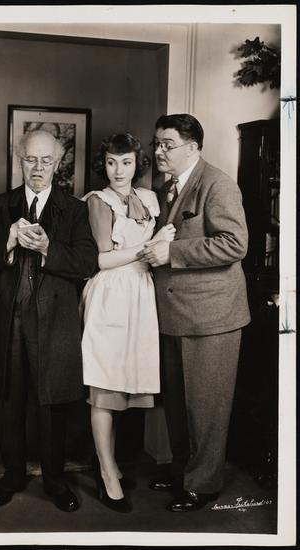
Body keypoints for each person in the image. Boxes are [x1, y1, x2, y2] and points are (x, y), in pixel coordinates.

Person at [0, 130, 98, 512]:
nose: (38, 168)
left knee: (52, 406)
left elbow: (87, 262)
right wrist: (8, 241)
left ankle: (55, 481)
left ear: (58, 164)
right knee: (7, 403)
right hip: (7, 322)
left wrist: (48, 248)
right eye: (31, 159)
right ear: (20, 160)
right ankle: (11, 477)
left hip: (54, 323)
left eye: (46, 160)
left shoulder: (73, 209)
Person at [141, 114, 251, 512]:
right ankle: (182, 473)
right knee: (178, 404)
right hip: (175, 314)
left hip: (211, 318)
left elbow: (234, 244)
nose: (159, 151)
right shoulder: (166, 189)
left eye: (167, 144)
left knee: (206, 408)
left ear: (192, 148)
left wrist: (172, 252)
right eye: (157, 143)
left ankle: (202, 485)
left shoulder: (217, 184)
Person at [80, 133, 176, 512]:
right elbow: (102, 259)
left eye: (126, 162)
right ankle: (106, 473)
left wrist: (155, 247)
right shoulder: (98, 201)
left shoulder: (149, 198)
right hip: (111, 294)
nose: (118, 171)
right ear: (102, 165)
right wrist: (151, 246)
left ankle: (111, 463)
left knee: (123, 385)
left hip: (140, 294)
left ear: (138, 164)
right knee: (105, 385)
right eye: (111, 163)